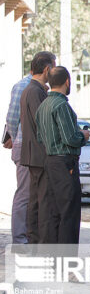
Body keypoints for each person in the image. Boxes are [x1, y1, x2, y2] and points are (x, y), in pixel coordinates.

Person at [35, 67, 90, 243]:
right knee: (69, 212)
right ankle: (67, 259)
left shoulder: (42, 106)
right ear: (67, 81)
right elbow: (70, 138)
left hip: (49, 161)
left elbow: (39, 137)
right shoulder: (61, 105)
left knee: (52, 211)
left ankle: (52, 257)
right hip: (65, 162)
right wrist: (83, 135)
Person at [20, 51, 58, 244]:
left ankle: (35, 241)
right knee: (42, 202)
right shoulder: (35, 91)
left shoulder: (32, 89)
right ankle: (40, 242)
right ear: (47, 69)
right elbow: (42, 122)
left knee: (36, 200)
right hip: (39, 154)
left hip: (34, 154)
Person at [4, 71, 32, 244]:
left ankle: (27, 236)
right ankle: (20, 239)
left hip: (32, 148)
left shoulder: (43, 87)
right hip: (24, 147)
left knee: (31, 195)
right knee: (24, 194)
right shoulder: (22, 86)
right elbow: (12, 118)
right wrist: (16, 140)